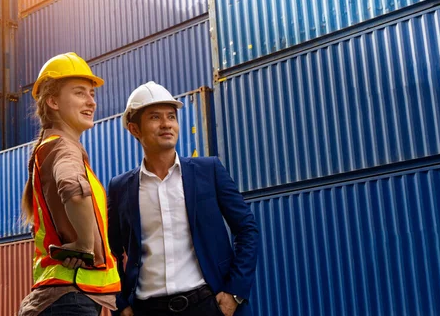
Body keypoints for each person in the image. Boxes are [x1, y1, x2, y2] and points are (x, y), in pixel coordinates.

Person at [107, 82, 259, 316]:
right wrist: (121, 303)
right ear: (134, 129)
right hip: (147, 309)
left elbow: (247, 229)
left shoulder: (209, 170)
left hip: (209, 304)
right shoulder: (120, 188)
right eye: (155, 117)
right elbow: (109, 252)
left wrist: (235, 293)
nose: (167, 124)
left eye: (171, 116)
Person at [18, 52, 121, 316]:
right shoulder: (62, 148)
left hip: (64, 296)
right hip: (70, 298)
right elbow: (74, 190)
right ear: (53, 101)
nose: (91, 101)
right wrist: (85, 245)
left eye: (92, 94)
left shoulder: (50, 148)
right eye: (79, 93)